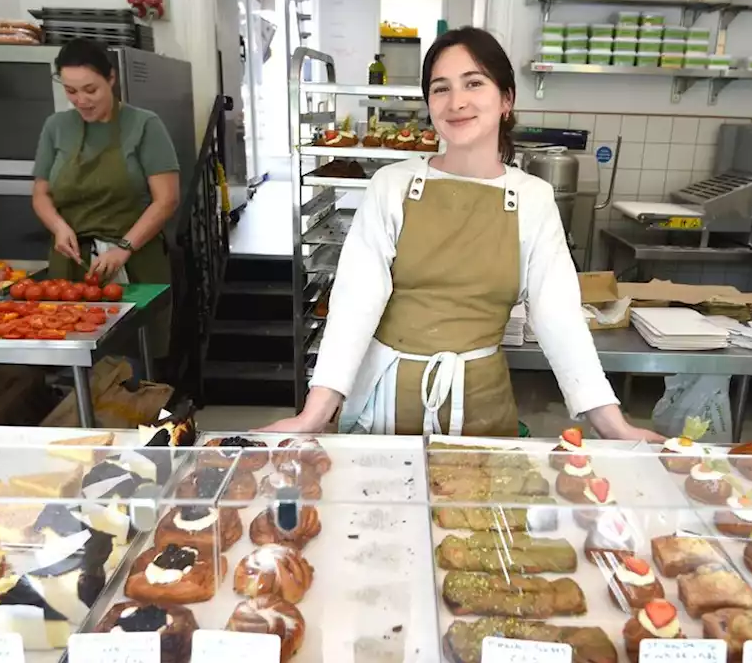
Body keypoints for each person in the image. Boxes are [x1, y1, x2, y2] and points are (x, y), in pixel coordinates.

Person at [260, 28, 661, 442]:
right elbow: (354, 304)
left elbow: (558, 317)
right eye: (440, 88)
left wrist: (612, 424)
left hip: (482, 405)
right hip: (385, 405)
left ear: (506, 99)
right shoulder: (392, 185)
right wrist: (315, 413)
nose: (457, 102)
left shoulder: (532, 198)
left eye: (474, 83)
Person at [32, 38, 179, 360]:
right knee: (76, 352)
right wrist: (58, 227)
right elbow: (41, 193)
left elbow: (166, 199)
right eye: (71, 91)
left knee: (136, 357)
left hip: (135, 257)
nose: (81, 100)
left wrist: (124, 247)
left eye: (90, 89)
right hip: (73, 263)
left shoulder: (144, 125)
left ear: (111, 78)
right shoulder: (56, 127)